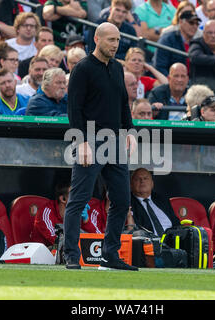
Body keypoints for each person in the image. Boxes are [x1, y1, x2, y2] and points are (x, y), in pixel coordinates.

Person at [63, 22, 137, 271]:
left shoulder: (117, 69)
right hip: (91, 139)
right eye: (110, 40)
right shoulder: (82, 69)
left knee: (121, 199)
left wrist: (130, 132)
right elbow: (74, 109)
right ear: (97, 39)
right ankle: (71, 255)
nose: (115, 45)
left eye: (117, 40)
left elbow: (123, 104)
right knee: (79, 199)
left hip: (115, 139)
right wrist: (81, 141)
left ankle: (110, 255)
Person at [30, 182, 103, 248]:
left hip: (67, 254)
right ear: (63, 199)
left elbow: (99, 239)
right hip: (42, 253)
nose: (79, 198)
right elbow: (55, 240)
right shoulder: (46, 212)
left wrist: (86, 221)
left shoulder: (79, 212)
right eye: (75, 195)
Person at [130, 168, 180, 236]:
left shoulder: (162, 200)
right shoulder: (128, 202)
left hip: (172, 240)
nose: (142, 181)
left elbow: (176, 223)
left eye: (145, 178)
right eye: (137, 179)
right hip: (148, 242)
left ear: (152, 183)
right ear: (131, 184)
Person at [153, 11, 201, 76]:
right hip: (170, 81)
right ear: (181, 22)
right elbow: (159, 66)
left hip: (191, 81)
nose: (195, 26)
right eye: (191, 23)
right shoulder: (168, 39)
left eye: (197, 24)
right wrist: (169, 81)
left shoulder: (198, 41)